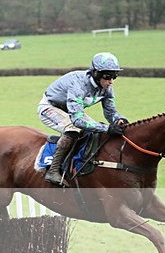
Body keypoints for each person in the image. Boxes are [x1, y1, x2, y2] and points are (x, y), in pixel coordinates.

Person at [38, 52, 129, 187]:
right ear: (96, 73)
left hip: (71, 109)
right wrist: (108, 128)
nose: (111, 81)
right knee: (73, 129)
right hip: (50, 107)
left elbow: (110, 112)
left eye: (114, 76)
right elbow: (77, 121)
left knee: (94, 131)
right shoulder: (78, 83)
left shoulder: (107, 87)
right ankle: (53, 170)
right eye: (108, 76)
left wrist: (118, 120)